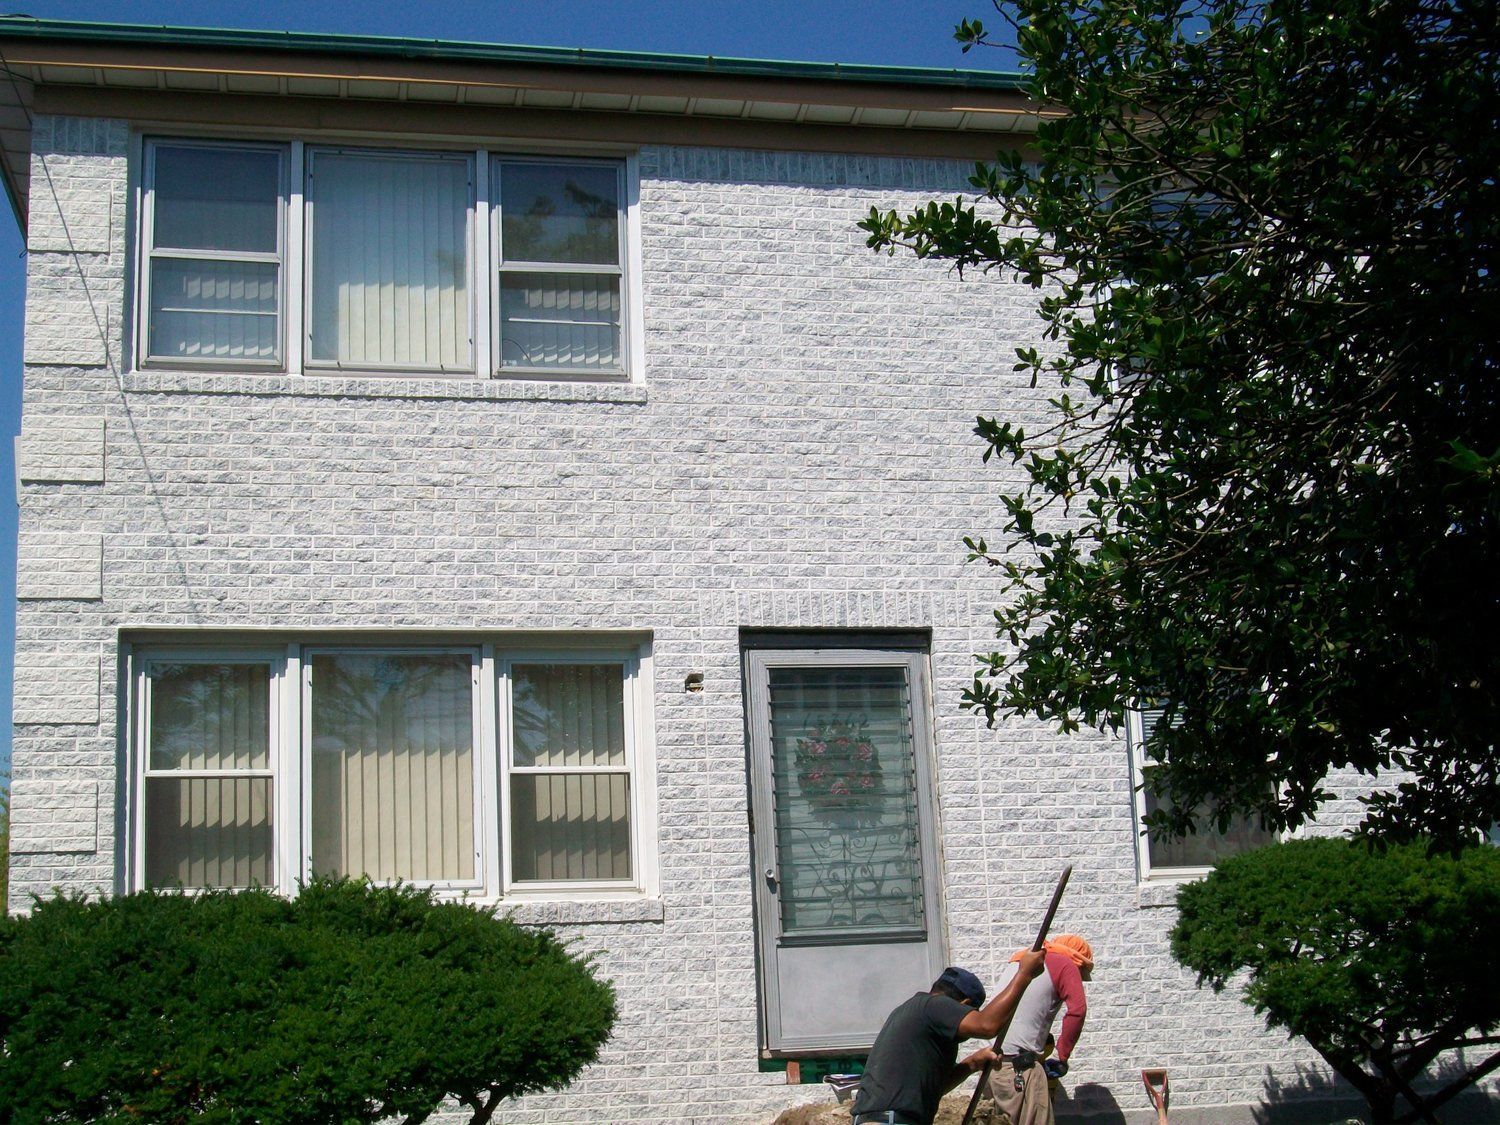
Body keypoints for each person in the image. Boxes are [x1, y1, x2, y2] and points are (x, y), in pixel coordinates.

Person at [850, 949, 1047, 1125]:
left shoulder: (914, 1014)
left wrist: (971, 1063)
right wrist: (1024, 975)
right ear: (963, 1003)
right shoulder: (935, 1006)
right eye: (971, 1012)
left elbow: (932, 1090)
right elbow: (988, 1025)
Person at [985, 934, 1093, 1125]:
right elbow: (1078, 1011)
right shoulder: (1065, 964)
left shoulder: (1023, 959)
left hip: (990, 1063)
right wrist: (1062, 1056)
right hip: (1020, 1069)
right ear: (1079, 962)